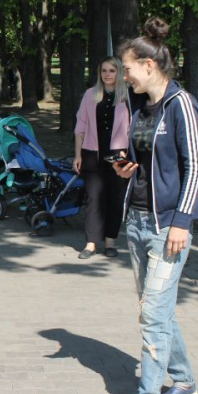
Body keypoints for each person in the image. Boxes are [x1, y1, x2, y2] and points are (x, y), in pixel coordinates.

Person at [108, 17, 198, 394]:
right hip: (138, 221)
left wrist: (182, 221)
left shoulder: (181, 104)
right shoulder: (139, 105)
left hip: (169, 226)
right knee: (157, 311)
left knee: (152, 315)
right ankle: (183, 382)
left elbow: (196, 165)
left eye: (127, 68)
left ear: (149, 66)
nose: (123, 75)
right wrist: (127, 170)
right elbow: (149, 160)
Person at [73, 57, 131, 259]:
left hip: (118, 154)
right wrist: (77, 155)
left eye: (111, 71)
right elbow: (80, 127)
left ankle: (110, 241)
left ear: (119, 73)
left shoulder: (127, 97)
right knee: (94, 198)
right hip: (92, 153)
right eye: (103, 71)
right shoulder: (90, 95)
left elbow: (133, 128)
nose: (107, 75)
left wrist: (127, 152)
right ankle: (91, 243)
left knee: (115, 198)